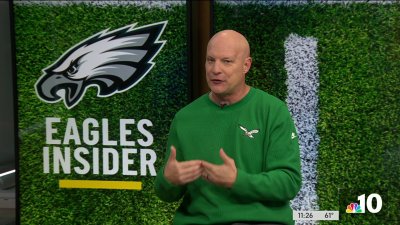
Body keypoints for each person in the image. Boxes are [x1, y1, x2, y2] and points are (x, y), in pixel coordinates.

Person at [155, 30, 301, 225]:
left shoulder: (273, 111)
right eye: (210, 60)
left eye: (226, 61)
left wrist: (237, 180)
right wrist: (169, 179)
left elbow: (288, 183)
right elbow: (166, 193)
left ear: (246, 65)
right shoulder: (185, 118)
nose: (215, 69)